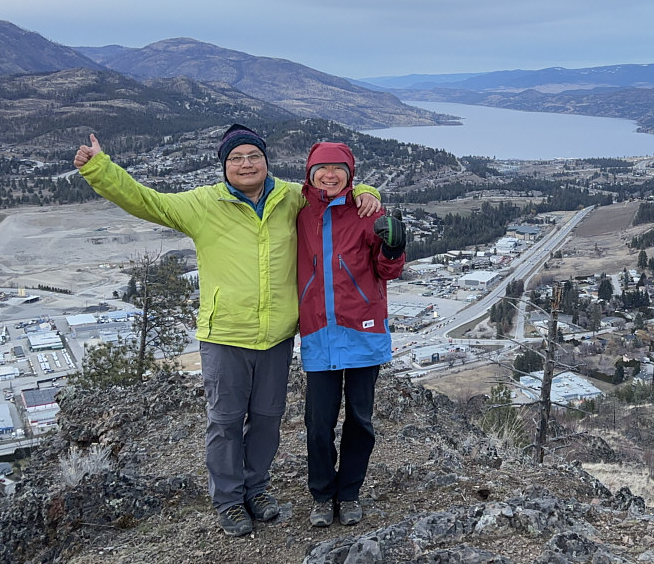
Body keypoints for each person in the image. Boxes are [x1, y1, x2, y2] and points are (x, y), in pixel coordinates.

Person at [72, 125, 382, 537]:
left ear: (266, 161)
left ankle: (257, 489)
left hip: (276, 336)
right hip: (224, 334)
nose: (246, 164)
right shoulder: (203, 203)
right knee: (225, 422)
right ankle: (230, 501)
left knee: (269, 421)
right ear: (224, 165)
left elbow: (336, 185)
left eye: (253, 155)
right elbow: (147, 202)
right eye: (236, 158)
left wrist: (370, 194)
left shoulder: (290, 197)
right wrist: (100, 169)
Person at [297, 142, 406, 527]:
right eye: (321, 168)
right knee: (317, 422)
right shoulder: (297, 211)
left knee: (360, 420)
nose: (330, 174)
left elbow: (388, 271)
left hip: (362, 329)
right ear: (309, 173)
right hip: (318, 331)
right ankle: (323, 495)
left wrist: (393, 249)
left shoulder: (367, 211)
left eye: (338, 168)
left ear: (350, 173)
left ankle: (350, 492)